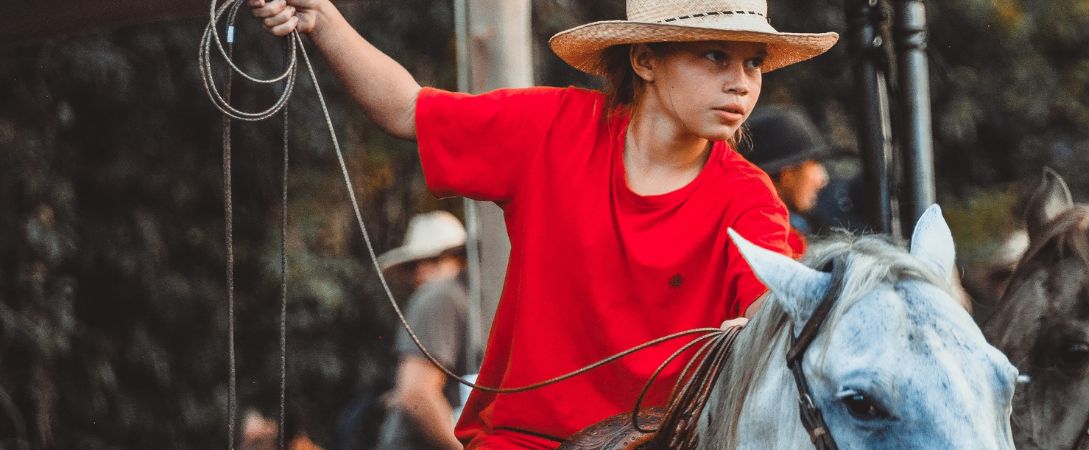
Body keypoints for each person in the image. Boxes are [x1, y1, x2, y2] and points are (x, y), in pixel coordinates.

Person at [247, 0, 839, 447]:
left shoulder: (749, 198)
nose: (742, 81)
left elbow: (774, 320)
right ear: (644, 59)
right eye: (715, 55)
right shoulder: (552, 129)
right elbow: (406, 108)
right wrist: (322, 16)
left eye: (754, 61)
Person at [375, 211, 472, 450]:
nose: (422, 272)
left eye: (435, 261)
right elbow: (417, 393)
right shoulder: (440, 296)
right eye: (415, 266)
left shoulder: (455, 298)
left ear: (461, 260)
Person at [741, 106, 832, 257]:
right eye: (815, 163)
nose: (823, 179)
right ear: (787, 175)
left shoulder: (795, 228)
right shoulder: (768, 242)